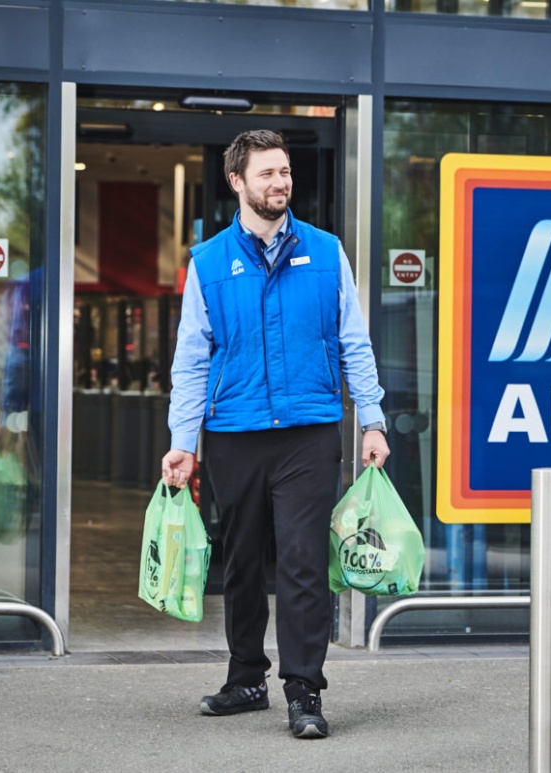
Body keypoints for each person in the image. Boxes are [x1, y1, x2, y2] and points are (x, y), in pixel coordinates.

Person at [161, 129, 389, 740]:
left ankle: (305, 690)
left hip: (310, 432)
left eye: (284, 172)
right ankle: (245, 679)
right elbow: (192, 359)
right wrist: (183, 439)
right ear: (237, 182)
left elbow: (353, 342)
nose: (279, 183)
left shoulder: (326, 251)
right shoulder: (208, 262)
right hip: (233, 431)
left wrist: (372, 419)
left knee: (303, 562)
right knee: (239, 564)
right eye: (266, 174)